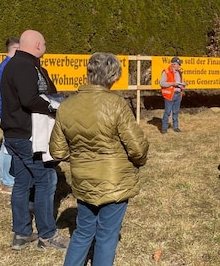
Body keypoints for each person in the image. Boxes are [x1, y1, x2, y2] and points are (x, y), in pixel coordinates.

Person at [50, 52, 149, 266]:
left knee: (83, 231)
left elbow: (57, 150)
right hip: (114, 180)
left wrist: (80, 157)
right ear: (113, 76)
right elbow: (138, 147)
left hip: (83, 178)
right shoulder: (116, 104)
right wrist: (136, 162)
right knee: (106, 235)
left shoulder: (66, 106)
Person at [0, 30, 68, 251]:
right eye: (45, 43)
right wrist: (54, 107)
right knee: (46, 180)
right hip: (28, 135)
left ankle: (22, 234)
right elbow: (30, 99)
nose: (46, 47)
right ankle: (47, 236)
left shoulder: (17, 64)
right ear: (38, 45)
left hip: (15, 134)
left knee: (22, 183)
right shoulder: (24, 66)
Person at [0, 37, 20, 194]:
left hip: (5, 110)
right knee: (8, 147)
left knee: (7, 145)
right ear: (16, 48)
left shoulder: (6, 64)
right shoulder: (10, 66)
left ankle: (7, 180)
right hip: (7, 111)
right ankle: (7, 181)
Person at [160, 56, 185, 133]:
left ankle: (176, 127)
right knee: (167, 112)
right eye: (178, 64)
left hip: (178, 94)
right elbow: (162, 83)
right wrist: (173, 83)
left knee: (176, 112)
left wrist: (182, 86)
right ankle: (164, 128)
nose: (180, 65)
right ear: (174, 64)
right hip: (169, 95)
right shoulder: (166, 72)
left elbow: (180, 82)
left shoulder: (179, 73)